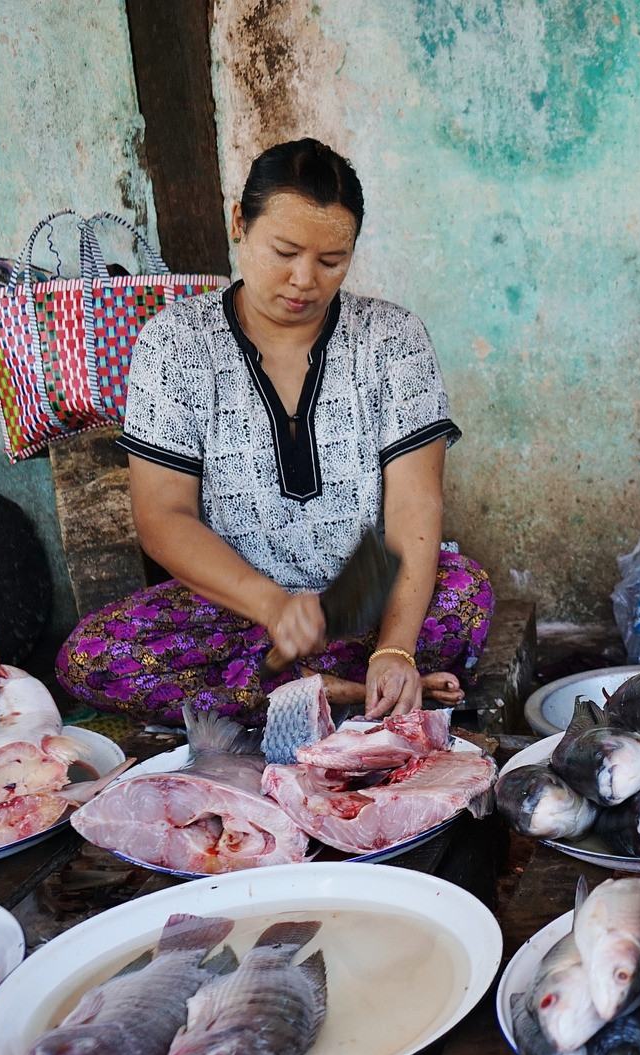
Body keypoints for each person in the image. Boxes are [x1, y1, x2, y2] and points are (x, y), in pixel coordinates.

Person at [58, 138, 494, 726]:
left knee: (463, 595)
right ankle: (338, 690)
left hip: (363, 604)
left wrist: (394, 648)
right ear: (240, 223)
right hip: (236, 609)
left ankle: (350, 679)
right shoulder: (176, 343)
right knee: (92, 659)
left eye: (331, 260)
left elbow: (416, 502)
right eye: (284, 251)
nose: (303, 280)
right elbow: (163, 517)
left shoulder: (392, 339)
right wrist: (274, 606)